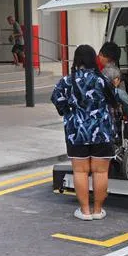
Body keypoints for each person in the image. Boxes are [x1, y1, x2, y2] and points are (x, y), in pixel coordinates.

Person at [50, 44, 116, 221]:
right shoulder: (101, 79)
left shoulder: (67, 81)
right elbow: (114, 100)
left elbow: (56, 98)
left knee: (80, 172)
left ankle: (85, 211)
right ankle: (98, 210)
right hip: (101, 131)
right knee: (100, 172)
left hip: (76, 132)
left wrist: (69, 112)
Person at [98, 41, 128, 122]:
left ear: (107, 57)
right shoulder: (115, 70)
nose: (99, 57)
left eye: (100, 55)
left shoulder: (107, 72)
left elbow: (119, 94)